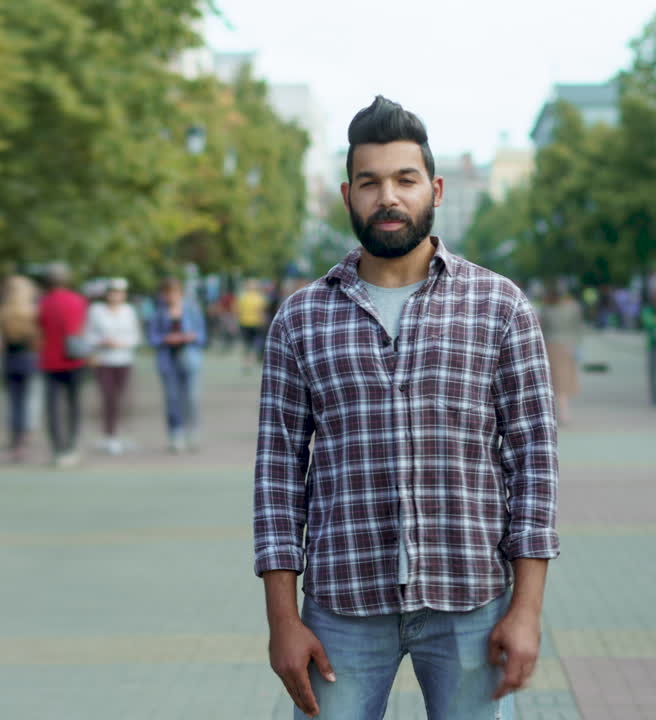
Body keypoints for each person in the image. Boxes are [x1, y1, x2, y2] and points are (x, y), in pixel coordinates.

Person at [254, 96, 558, 720]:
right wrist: (282, 620)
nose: (387, 197)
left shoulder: (499, 307)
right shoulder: (301, 318)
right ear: (348, 195)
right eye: (369, 183)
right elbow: (277, 478)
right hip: (342, 605)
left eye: (404, 179)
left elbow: (535, 464)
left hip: (470, 598)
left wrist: (526, 611)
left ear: (435, 189)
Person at [36, 262, 89, 468]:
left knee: (53, 407)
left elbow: (40, 328)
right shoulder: (78, 300)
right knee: (74, 404)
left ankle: (57, 448)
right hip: (74, 359)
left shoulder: (44, 302)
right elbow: (80, 327)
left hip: (51, 360)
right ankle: (71, 445)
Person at [149, 277, 205, 454]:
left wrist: (190, 337)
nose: (170, 296)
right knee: (172, 398)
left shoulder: (191, 310)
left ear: (180, 293)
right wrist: (166, 339)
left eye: (173, 292)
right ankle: (176, 433)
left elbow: (202, 335)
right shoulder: (159, 313)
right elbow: (152, 337)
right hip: (168, 360)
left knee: (191, 397)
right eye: (167, 292)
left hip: (189, 357)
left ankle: (192, 432)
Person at [85, 278, 141, 455]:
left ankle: (121, 433)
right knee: (108, 398)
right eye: (112, 292)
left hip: (123, 360)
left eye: (118, 292)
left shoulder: (128, 311)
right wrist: (102, 342)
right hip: (104, 361)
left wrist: (121, 344)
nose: (115, 296)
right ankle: (110, 435)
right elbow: (88, 336)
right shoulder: (96, 311)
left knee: (123, 398)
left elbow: (135, 337)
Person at [2, 274, 41, 463]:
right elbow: (38, 340)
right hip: (29, 359)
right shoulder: (33, 312)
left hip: (11, 360)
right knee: (27, 401)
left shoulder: (5, 312)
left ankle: (15, 441)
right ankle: (24, 441)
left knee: (14, 402)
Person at [539, 281, 586, 422]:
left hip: (551, 345)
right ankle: (564, 412)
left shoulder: (547, 309)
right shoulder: (573, 307)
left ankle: (560, 412)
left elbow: (542, 329)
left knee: (554, 380)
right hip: (568, 345)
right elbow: (578, 327)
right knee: (563, 380)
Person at [237, 278, 269, 372]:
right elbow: (239, 310)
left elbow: (262, 311)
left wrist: (263, 320)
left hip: (253, 323)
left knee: (252, 344)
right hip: (247, 323)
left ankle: (249, 361)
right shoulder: (245, 297)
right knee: (249, 344)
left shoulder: (258, 297)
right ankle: (248, 362)